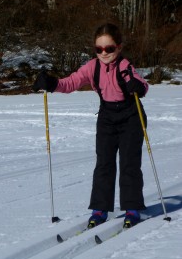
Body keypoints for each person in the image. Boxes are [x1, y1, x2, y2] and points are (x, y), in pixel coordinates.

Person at [33, 23, 149, 228]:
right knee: (104, 163)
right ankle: (100, 209)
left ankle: (132, 208)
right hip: (107, 116)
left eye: (109, 49)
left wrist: (138, 86)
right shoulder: (91, 67)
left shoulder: (124, 66)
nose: (104, 53)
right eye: (99, 49)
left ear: (119, 48)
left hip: (131, 116)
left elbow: (141, 83)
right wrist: (51, 83)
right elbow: (70, 83)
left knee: (129, 163)